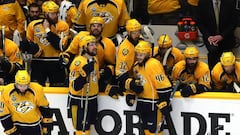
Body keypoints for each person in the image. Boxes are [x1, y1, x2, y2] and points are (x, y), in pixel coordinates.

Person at [20, 0, 70, 86]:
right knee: (37, 87)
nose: (56, 15)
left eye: (56, 13)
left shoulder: (63, 25)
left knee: (58, 88)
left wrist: (48, 30)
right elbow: (29, 45)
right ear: (45, 14)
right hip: (38, 63)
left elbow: (61, 46)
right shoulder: (33, 25)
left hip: (56, 63)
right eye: (52, 13)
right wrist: (32, 49)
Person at [60, 16, 116, 91]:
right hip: (77, 72)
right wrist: (65, 59)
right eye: (93, 26)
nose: (96, 28)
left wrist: (105, 71)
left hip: (95, 75)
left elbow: (111, 64)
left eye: (99, 26)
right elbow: (70, 52)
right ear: (89, 27)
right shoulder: (80, 36)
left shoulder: (108, 43)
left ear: (102, 28)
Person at [133, 40, 172, 135]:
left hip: (154, 104)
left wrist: (164, 101)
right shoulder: (136, 66)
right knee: (145, 129)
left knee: (154, 130)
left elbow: (163, 85)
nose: (138, 57)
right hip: (143, 102)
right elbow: (138, 83)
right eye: (137, 54)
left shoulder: (153, 64)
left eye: (141, 55)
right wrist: (132, 93)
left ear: (147, 54)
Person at [0, 70, 53, 135]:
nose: (22, 88)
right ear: (16, 83)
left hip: (34, 126)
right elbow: (3, 113)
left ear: (29, 83)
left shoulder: (37, 89)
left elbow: (45, 108)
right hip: (16, 126)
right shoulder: (6, 91)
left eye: (25, 85)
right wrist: (10, 129)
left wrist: (46, 126)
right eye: (20, 85)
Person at [68, 35, 99, 135]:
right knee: (80, 129)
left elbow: (96, 79)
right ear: (84, 48)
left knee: (87, 128)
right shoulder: (77, 62)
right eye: (91, 45)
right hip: (79, 101)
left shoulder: (95, 60)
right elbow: (74, 86)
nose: (95, 47)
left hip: (92, 99)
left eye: (95, 44)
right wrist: (84, 73)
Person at [196, 0, 237, 70]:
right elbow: (200, 22)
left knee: (227, 58)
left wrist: (222, 36)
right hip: (210, 37)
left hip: (226, 37)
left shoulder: (230, 2)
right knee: (213, 52)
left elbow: (234, 23)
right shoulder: (203, 2)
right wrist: (208, 36)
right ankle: (213, 75)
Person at [110, 19, 144, 105]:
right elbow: (120, 73)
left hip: (140, 73)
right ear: (129, 33)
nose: (137, 35)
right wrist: (131, 84)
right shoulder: (125, 49)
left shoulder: (140, 40)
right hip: (129, 76)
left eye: (138, 32)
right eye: (134, 33)